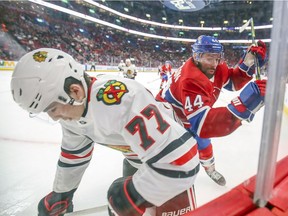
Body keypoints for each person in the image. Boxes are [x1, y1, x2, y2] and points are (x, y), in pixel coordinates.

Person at [10, 48, 200, 216]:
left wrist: (136, 195)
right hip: (138, 157)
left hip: (165, 162)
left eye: (52, 109)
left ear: (75, 91)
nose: (54, 117)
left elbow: (180, 164)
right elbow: (74, 155)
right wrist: (62, 193)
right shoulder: (71, 109)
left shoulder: (123, 100)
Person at [156, 35, 267, 186]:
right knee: (178, 150)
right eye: (209, 58)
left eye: (217, 58)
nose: (214, 64)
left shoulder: (216, 66)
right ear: (196, 56)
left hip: (187, 113)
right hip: (168, 118)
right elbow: (204, 125)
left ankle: (209, 169)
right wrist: (244, 104)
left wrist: (249, 64)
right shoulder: (190, 79)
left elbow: (232, 82)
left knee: (204, 143)